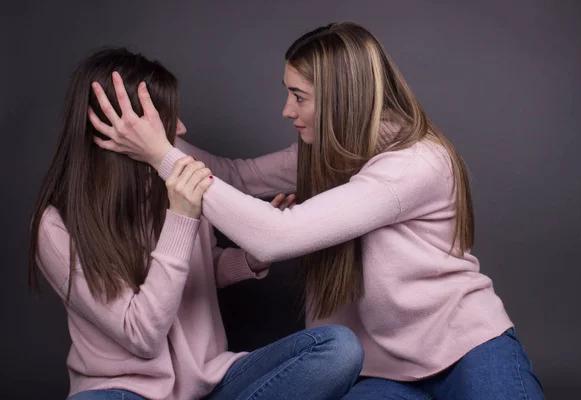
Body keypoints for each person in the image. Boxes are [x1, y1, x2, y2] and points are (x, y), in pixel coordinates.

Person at [89, 22, 545, 400]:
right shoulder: (321, 154)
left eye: (299, 96)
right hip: (379, 367)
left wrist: (159, 155)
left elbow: (274, 236)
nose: (287, 110)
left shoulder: (416, 163)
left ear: (342, 97)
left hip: (465, 344)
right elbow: (234, 175)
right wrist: (149, 132)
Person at [29, 47, 364, 400]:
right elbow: (142, 336)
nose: (183, 129)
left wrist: (250, 259)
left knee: (338, 348)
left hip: (212, 381)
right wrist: (181, 215)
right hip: (123, 391)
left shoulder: (173, 176)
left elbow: (200, 266)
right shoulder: (55, 225)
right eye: (169, 118)